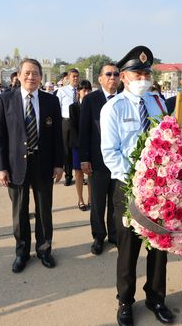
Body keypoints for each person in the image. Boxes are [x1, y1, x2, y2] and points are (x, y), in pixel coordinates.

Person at [100, 46, 172, 326]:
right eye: (136, 73)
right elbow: (111, 153)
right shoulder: (113, 108)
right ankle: (125, 301)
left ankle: (156, 297)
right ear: (124, 77)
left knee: (159, 247)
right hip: (129, 188)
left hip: (160, 189)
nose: (142, 77)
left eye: (146, 73)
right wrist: (138, 181)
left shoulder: (158, 104)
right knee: (128, 249)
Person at [0, 58, 64, 273]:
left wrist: (59, 164)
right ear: (18, 75)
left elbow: (57, 137)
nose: (31, 77)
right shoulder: (5, 100)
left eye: (35, 73)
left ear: (41, 77)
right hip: (16, 165)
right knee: (20, 211)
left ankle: (44, 250)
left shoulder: (50, 101)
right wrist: (1, 167)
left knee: (44, 210)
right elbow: (0, 137)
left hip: (43, 163)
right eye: (26, 73)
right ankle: (21, 252)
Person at [80, 63, 120, 255]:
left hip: (119, 161)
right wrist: (84, 158)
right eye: (108, 74)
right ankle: (98, 236)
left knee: (116, 200)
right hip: (97, 160)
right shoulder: (90, 100)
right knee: (97, 201)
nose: (113, 77)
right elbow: (84, 131)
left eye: (116, 74)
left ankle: (114, 234)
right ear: (100, 79)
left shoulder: (124, 99)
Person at [69, 79, 92, 211]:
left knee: (90, 173)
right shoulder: (73, 107)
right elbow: (73, 128)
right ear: (78, 92)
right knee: (78, 173)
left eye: (88, 89)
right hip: (77, 145)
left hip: (91, 145)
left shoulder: (94, 106)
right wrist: (81, 145)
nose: (86, 92)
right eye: (83, 90)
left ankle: (90, 198)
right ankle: (80, 200)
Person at [56, 68, 80, 186]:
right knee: (67, 150)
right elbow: (57, 108)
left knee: (79, 149)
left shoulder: (82, 90)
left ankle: (80, 174)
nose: (75, 78)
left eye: (77, 76)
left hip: (79, 123)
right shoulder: (62, 91)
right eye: (73, 76)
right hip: (66, 122)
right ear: (68, 78)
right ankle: (68, 175)